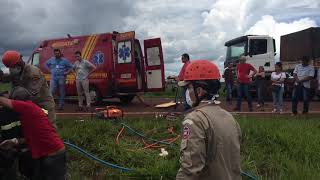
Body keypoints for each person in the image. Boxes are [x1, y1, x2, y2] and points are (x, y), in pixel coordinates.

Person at [176, 60, 241, 180]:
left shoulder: (194, 120)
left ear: (199, 91)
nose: (187, 93)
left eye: (189, 88)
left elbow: (190, 170)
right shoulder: (229, 117)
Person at [0, 87, 66, 180]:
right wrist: (14, 141)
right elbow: (32, 137)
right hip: (51, 153)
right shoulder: (31, 111)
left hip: (52, 155)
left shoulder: (26, 107)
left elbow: (3, 101)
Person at [0, 50, 56, 126]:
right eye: (11, 67)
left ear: (20, 59)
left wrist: (7, 97)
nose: (12, 68)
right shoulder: (16, 70)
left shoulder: (33, 72)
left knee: (48, 126)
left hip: (42, 103)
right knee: (31, 128)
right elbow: (7, 79)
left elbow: (31, 94)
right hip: (28, 104)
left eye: (13, 65)